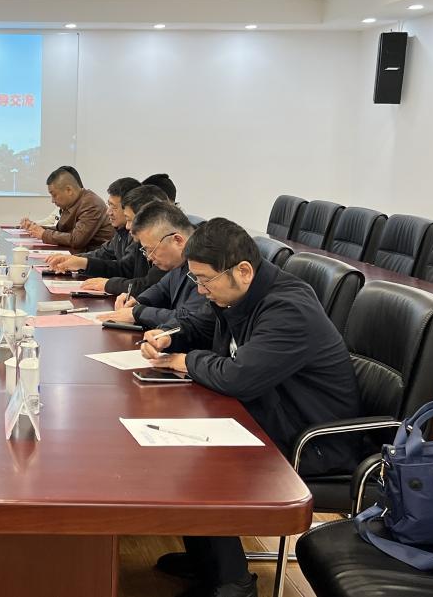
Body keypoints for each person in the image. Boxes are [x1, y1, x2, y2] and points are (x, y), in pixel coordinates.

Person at [139, 218, 361, 597]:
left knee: (200, 454)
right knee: (177, 438)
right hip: (273, 414)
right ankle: (208, 562)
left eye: (205, 280)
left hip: (314, 441)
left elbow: (239, 377)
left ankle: (233, 584)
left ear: (242, 271)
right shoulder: (240, 294)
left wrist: (183, 361)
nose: (200, 290)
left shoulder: (289, 308)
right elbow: (200, 325)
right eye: (195, 280)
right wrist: (169, 337)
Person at [47, 183, 169, 296]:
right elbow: (124, 268)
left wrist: (109, 284)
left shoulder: (163, 248)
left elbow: (149, 286)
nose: (108, 212)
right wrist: (82, 262)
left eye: (113, 207)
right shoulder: (127, 235)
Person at [99, 201, 206, 328]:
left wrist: (138, 313)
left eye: (151, 250)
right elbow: (161, 289)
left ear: (177, 240)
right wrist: (137, 302)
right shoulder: (179, 260)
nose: (149, 257)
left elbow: (190, 317)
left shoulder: (206, 261)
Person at [19, 166, 113, 252]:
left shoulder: (91, 204)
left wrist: (43, 234)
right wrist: (35, 228)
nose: (52, 201)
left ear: (69, 190)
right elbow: (61, 230)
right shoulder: (72, 203)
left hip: (97, 257)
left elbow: (77, 240)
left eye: (54, 195)